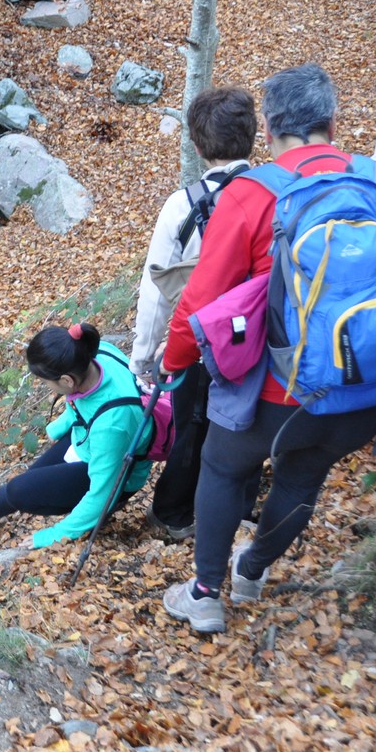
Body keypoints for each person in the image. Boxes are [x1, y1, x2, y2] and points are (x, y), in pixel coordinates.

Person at [160, 64, 376, 633]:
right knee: (301, 479)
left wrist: (174, 363)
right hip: (367, 386)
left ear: (268, 128)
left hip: (277, 391)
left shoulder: (251, 194)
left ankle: (205, 594)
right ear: (332, 122)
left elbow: (200, 299)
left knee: (222, 466)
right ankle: (252, 570)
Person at [130, 87, 259, 540]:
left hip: (201, 341)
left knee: (192, 426)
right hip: (263, 338)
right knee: (248, 426)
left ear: (198, 147)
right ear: (252, 137)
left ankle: (174, 513)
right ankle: (238, 509)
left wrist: (143, 356)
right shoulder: (274, 192)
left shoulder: (183, 206)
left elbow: (156, 290)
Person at [0, 323, 154, 564]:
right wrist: (62, 424)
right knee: (30, 479)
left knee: (18, 490)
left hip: (119, 473)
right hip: (89, 440)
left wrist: (55, 534)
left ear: (66, 380)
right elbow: (83, 398)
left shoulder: (112, 424)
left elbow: (103, 491)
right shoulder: (96, 355)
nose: (46, 386)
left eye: (46, 382)